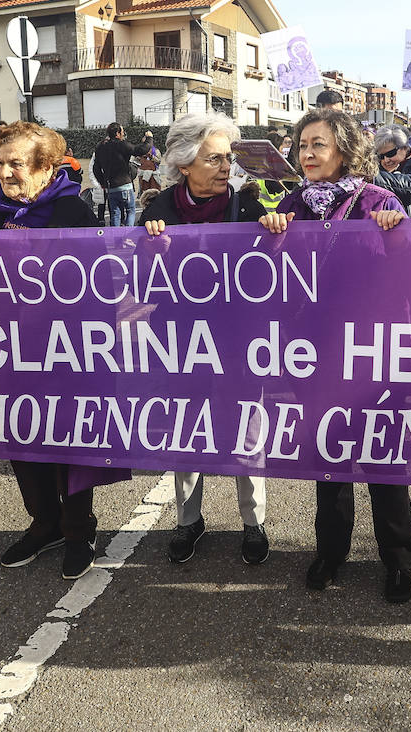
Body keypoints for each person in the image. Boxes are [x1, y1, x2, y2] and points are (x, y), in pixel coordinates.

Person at [258, 108, 411, 603]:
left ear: (344, 151)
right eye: (302, 144)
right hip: (316, 355)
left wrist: (398, 233)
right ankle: (330, 552)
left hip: (372, 353)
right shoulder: (292, 205)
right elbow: (265, 277)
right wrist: (271, 232)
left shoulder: (379, 201)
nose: (306, 153)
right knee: (330, 456)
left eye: (318, 144)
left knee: (384, 460)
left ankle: (399, 560)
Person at [0, 121, 127, 580]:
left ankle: (79, 530)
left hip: (68, 354)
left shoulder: (75, 215)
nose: (4, 172)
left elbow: (104, 290)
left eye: (16, 164)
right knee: (23, 440)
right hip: (11, 352)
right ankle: (44, 524)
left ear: (46, 167)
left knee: (70, 444)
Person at [139, 113, 272, 566]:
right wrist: (150, 253)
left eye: (227, 158)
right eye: (212, 158)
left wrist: (277, 234)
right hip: (182, 340)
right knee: (186, 427)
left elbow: (279, 273)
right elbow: (139, 287)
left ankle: (253, 523)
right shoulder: (157, 213)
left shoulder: (250, 207)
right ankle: (188, 520)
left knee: (247, 428)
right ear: (182, 163)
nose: (224, 167)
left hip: (238, 338)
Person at [93, 122, 154, 227]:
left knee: (115, 214)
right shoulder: (121, 144)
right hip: (125, 185)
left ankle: (116, 239)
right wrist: (149, 138)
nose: (123, 134)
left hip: (111, 187)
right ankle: (128, 236)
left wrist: (103, 183)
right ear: (117, 133)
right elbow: (140, 150)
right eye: (122, 132)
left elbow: (96, 168)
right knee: (130, 210)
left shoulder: (100, 147)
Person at [373, 124, 411, 217]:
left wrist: (374, 179)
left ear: (404, 148)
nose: (386, 160)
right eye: (381, 156)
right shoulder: (374, 167)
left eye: (390, 153)